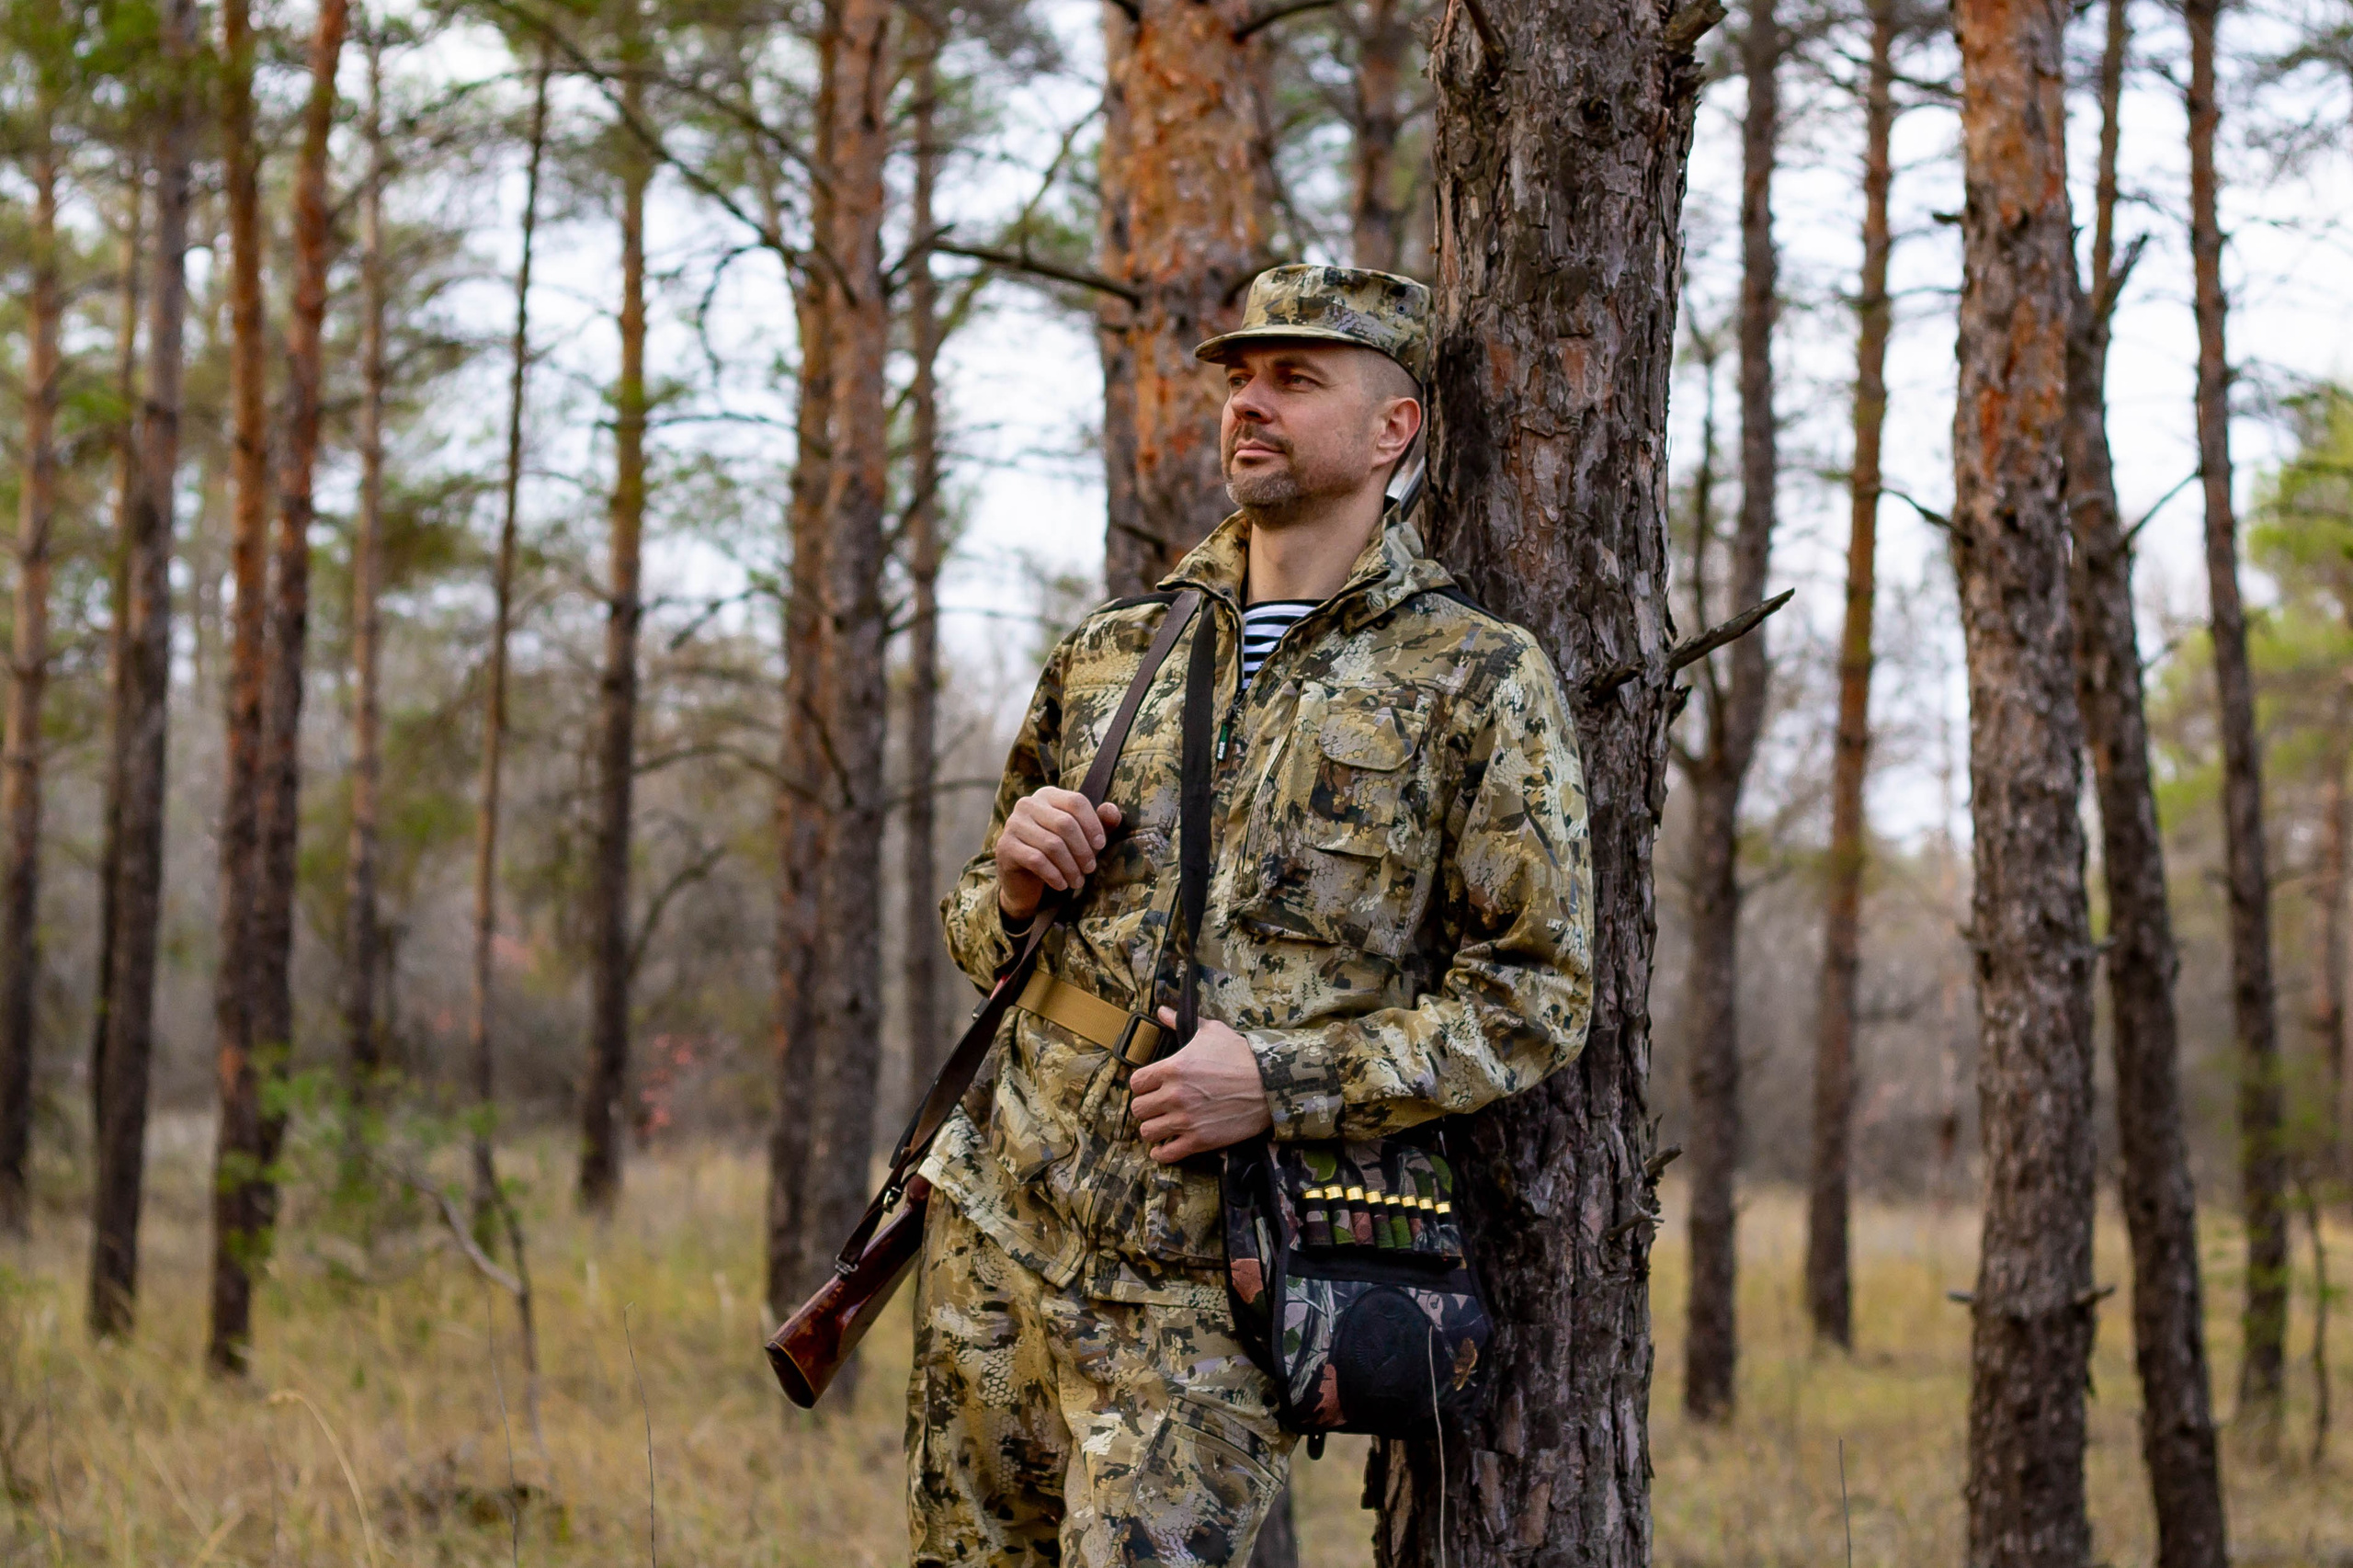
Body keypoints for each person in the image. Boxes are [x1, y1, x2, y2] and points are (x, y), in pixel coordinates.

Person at [908, 264, 1594, 1566]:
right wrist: (1007, 882)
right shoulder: (1121, 647)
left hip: (1210, 1282)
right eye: (1238, 379)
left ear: (1394, 430)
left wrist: (1278, 1080)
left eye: (1295, 378)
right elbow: (976, 940)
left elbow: (1536, 999)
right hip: (996, 1231)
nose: (1248, 404)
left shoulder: (1475, 677)